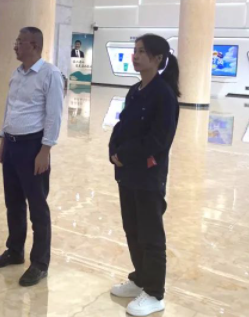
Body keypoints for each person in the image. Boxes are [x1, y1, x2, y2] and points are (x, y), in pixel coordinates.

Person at [108, 34, 180, 316]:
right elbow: (121, 125)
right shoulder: (135, 90)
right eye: (134, 50)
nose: (135, 56)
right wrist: (113, 150)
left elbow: (158, 140)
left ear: (158, 58)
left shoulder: (164, 95)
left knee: (151, 235)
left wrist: (125, 154)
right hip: (127, 173)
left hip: (148, 176)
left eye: (141, 52)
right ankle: (140, 279)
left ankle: (154, 293)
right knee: (133, 229)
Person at [0, 27, 64, 287]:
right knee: (13, 203)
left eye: (20, 42)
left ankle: (40, 263)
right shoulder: (17, 73)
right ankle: (15, 251)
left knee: (38, 207)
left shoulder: (50, 74)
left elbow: (54, 115)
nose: (15, 46)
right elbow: (10, 108)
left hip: (33, 147)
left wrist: (45, 150)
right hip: (12, 145)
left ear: (34, 45)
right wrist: (3, 141)